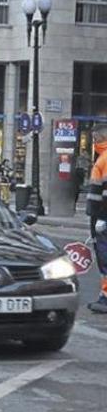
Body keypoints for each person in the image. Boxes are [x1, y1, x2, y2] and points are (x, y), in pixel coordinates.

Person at [86, 129, 107, 314]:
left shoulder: (104, 159)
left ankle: (106, 297)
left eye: (95, 138)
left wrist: (101, 218)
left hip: (103, 217)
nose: (93, 142)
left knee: (104, 257)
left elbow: (102, 193)